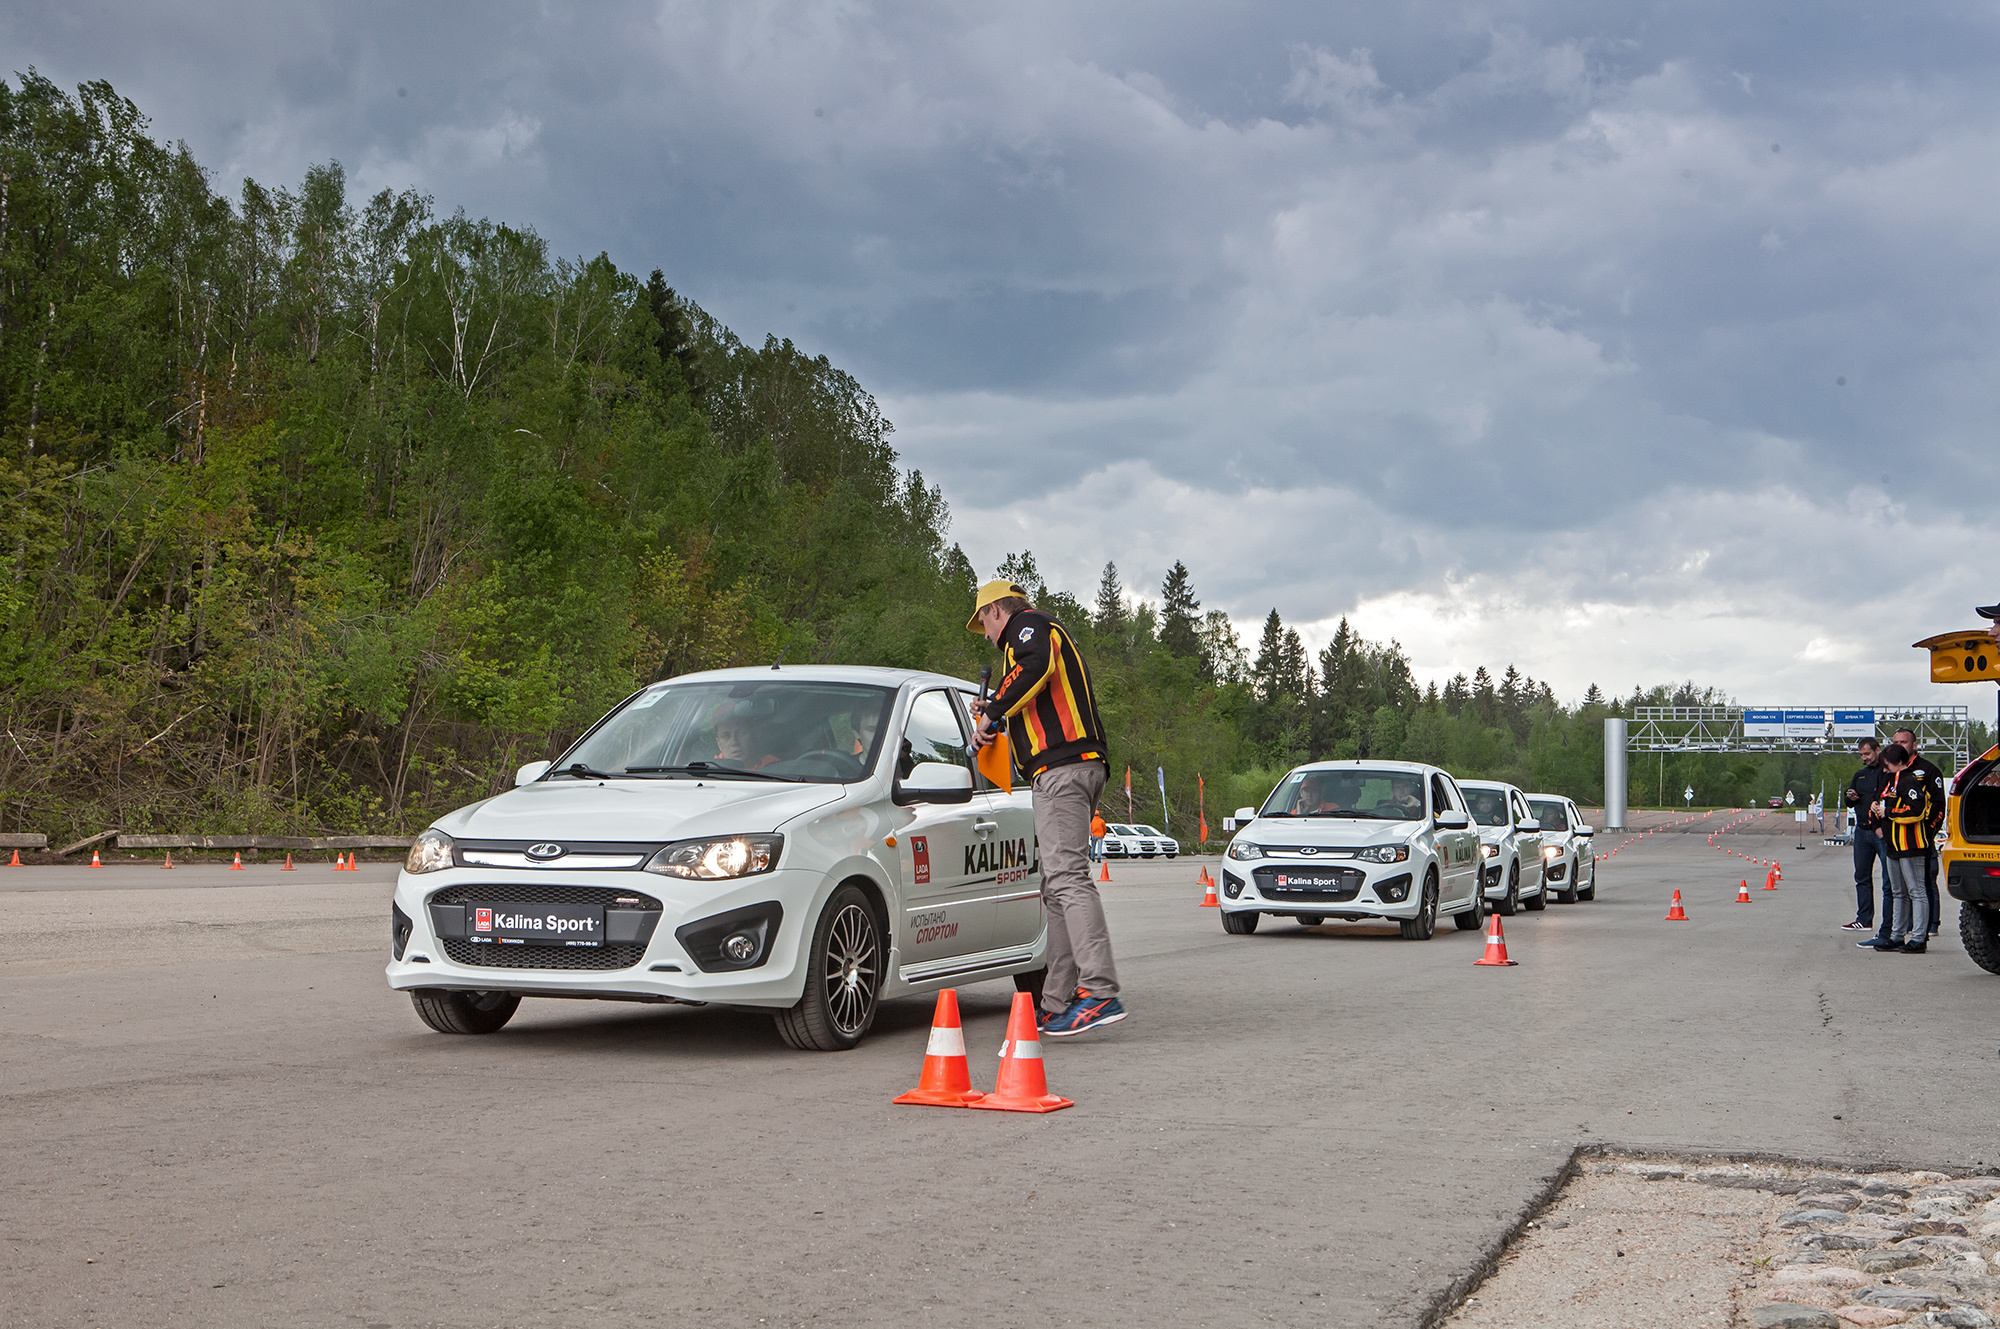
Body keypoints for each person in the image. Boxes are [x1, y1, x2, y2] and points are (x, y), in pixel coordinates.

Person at [966, 579, 1123, 1037]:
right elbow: (1032, 688)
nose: (989, 637)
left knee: (1067, 879)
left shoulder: (1029, 628)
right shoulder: (1039, 635)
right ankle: (1055, 1003)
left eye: (984, 624)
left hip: (1062, 769)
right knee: (1056, 886)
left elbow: (1033, 666)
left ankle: (1099, 991)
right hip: (1075, 766)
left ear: (998, 612)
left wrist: (993, 710)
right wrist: (997, 708)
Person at [1869, 743, 1937, 953]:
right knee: (1898, 892)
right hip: (1893, 846)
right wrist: (1876, 807)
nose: (1885, 768)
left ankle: (1918, 938)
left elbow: (1916, 811)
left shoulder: (1910, 781)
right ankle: (1897, 935)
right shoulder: (1893, 781)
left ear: (1897, 762)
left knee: (1917, 891)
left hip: (1911, 845)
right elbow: (1886, 803)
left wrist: (1887, 811)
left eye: (1887, 764)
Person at [1892, 726, 1946, 938]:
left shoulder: (1929, 770)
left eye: (1903, 743)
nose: (1899, 747)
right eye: (1896, 743)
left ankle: (1932, 924)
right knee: (1902, 887)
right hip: (1900, 839)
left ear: (1914, 745)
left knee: (1926, 881)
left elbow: (1939, 806)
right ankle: (1907, 925)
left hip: (1922, 837)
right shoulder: (1893, 771)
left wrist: (1929, 833)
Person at [1844, 737, 1889, 938]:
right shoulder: (1860, 775)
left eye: (1868, 754)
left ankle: (1893, 922)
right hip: (1862, 831)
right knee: (1861, 876)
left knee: (1890, 879)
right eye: (1861, 754)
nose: (1865, 758)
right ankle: (1864, 919)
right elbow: (1849, 802)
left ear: (1877, 750)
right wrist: (1850, 796)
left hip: (1881, 831)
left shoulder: (1887, 773)